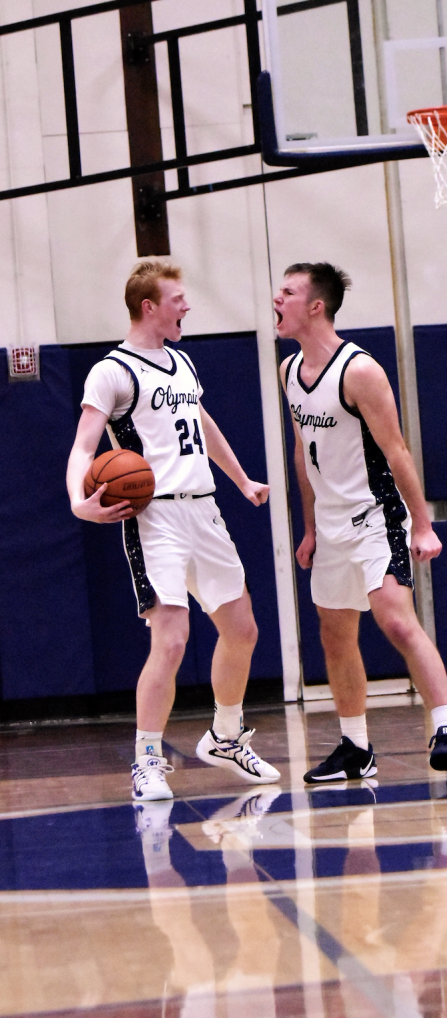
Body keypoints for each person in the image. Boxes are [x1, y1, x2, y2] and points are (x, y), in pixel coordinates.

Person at [67, 259, 280, 801]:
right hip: (154, 516)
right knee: (172, 640)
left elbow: (202, 425)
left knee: (243, 630)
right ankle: (146, 759)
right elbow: (84, 446)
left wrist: (242, 480)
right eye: (178, 298)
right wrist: (78, 501)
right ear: (149, 307)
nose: (186, 306)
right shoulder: (111, 371)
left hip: (204, 508)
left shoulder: (182, 362)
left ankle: (226, 737)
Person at [275, 262, 447, 783]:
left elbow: (397, 449)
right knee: (335, 634)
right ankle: (355, 748)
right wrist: (311, 526)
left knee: (393, 618)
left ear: (315, 306)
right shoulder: (288, 372)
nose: (277, 299)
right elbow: (303, 452)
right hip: (332, 523)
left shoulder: (359, 370)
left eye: (288, 292)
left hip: (375, 514)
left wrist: (422, 524)